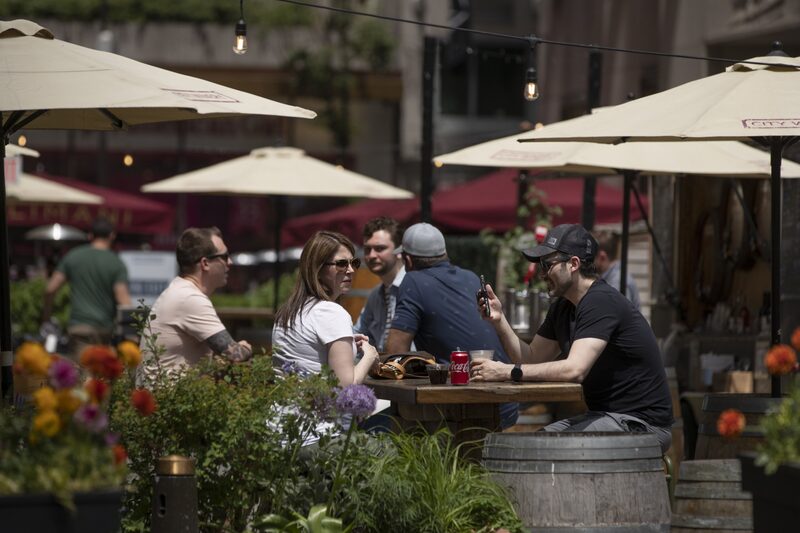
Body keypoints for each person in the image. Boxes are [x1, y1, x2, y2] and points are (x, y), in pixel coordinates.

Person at [472, 224, 673, 452]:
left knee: (541, 449)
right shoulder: (564, 306)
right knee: (532, 445)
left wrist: (506, 371)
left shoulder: (600, 301)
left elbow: (574, 370)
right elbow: (531, 358)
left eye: (547, 265)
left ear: (574, 264)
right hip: (607, 418)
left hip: (643, 425)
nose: (541, 273)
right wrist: (500, 321)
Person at [385, 222, 518, 428]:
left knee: (380, 426)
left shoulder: (412, 281)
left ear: (408, 259)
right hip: (507, 403)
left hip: (462, 405)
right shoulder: (471, 277)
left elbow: (394, 354)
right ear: (444, 253)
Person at [140, 227, 252, 379]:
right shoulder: (190, 298)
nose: (230, 262)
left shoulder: (181, 291)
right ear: (205, 263)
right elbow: (235, 354)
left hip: (164, 397)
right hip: (169, 400)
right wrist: (245, 348)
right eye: (224, 256)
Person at [272, 230, 379, 386]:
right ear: (318, 269)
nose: (351, 270)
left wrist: (345, 343)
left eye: (354, 263)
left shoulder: (288, 311)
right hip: (318, 410)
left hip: (284, 408)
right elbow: (346, 387)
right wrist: (369, 356)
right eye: (342, 264)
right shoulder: (331, 313)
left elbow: (308, 353)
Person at [43, 217, 131, 359]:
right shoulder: (116, 263)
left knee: (84, 375)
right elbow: (124, 300)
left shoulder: (73, 256)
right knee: (101, 375)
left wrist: (46, 317)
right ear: (112, 235)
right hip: (104, 328)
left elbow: (50, 289)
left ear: (90, 235)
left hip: (79, 327)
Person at [353, 217, 408, 352]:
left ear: (399, 251)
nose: (371, 255)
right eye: (367, 249)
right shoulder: (376, 295)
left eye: (380, 248)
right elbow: (357, 334)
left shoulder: (413, 288)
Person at [593, 230, 641, 310]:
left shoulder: (617, 283)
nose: (590, 261)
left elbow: (620, 319)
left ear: (602, 257)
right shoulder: (612, 278)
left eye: (593, 257)